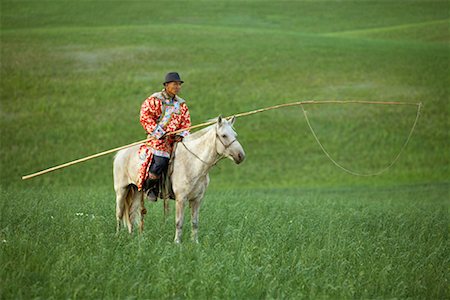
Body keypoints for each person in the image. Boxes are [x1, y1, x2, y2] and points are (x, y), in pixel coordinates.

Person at [137, 72, 191, 201]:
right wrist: (159, 133)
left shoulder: (181, 104)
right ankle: (149, 188)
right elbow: (145, 116)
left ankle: (173, 188)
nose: (177, 87)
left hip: (174, 141)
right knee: (161, 161)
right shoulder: (155, 100)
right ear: (166, 85)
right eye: (175, 84)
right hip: (157, 140)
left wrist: (180, 134)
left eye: (179, 84)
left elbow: (186, 122)